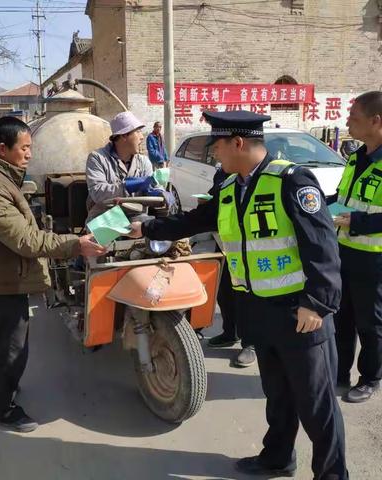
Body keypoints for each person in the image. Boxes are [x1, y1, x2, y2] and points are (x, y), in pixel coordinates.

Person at [129, 111, 348, 479]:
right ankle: (277, 457)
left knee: (316, 405)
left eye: (217, 146)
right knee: (277, 396)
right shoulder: (231, 188)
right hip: (261, 312)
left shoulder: (291, 182)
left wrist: (317, 303)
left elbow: (322, 246)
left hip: (300, 313)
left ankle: (332, 475)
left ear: (238, 143)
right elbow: (194, 221)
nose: (215, 154)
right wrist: (147, 227)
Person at [0, 116, 106, 432]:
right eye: (24, 148)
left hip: (1, 273)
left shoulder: (0, 176)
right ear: (3, 148)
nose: (29, 154)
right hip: (0, 280)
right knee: (12, 346)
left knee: (3, 343)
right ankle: (5, 409)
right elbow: (23, 239)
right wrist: (74, 244)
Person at [332, 91, 382, 403]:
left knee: (371, 322)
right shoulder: (355, 156)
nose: (347, 122)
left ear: (376, 122)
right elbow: (342, 200)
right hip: (344, 250)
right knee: (341, 317)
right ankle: (338, 372)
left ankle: (371, 377)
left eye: (354, 118)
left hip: (374, 258)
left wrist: (359, 222)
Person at [206, 167, 256, 367]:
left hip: (249, 249)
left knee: (246, 297)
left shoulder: (259, 176)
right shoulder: (223, 173)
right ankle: (230, 333)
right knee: (225, 292)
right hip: (224, 242)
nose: (215, 153)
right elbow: (215, 198)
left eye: (218, 146)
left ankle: (250, 343)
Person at [85, 111, 154, 222]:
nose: (142, 137)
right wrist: (126, 186)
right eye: (138, 131)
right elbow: (97, 192)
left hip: (136, 216)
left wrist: (159, 192)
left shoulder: (144, 162)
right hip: (105, 217)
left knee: (154, 230)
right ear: (124, 135)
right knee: (100, 237)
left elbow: (152, 187)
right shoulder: (97, 158)